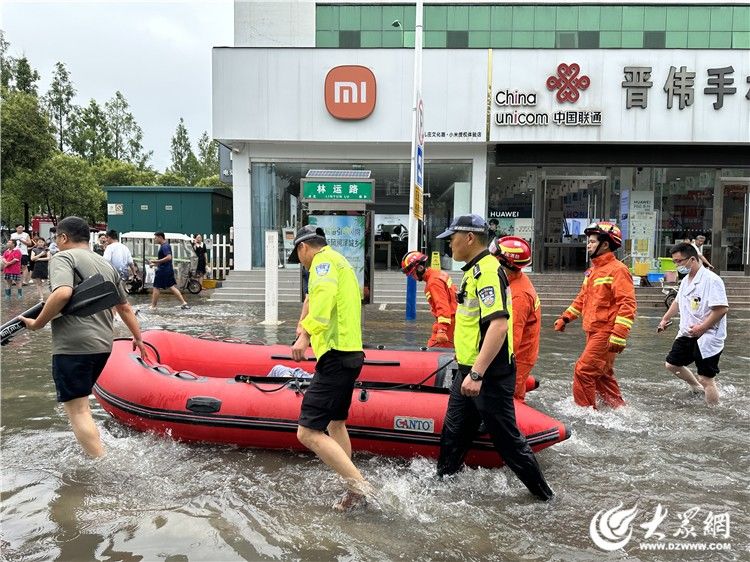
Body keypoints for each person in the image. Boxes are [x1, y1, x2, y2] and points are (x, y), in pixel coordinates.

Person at [435, 214, 554, 501]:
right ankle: (441, 484)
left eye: (452, 238)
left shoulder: (487, 272)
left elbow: (498, 325)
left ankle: (545, 496)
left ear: (469, 238)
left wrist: (477, 374)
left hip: (487, 376)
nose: (448, 244)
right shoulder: (474, 270)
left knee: (508, 441)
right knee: (453, 431)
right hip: (468, 372)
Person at [19, 216, 146, 458]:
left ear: (63, 238)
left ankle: (101, 464)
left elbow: (62, 293)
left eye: (57, 237)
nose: (56, 242)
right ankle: (96, 452)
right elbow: (125, 307)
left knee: (77, 410)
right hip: (102, 345)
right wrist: (138, 338)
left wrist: (37, 324)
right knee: (83, 407)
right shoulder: (104, 264)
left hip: (73, 345)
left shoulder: (63, 258)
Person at [287, 225, 372, 510]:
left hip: (335, 356)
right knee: (336, 423)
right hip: (350, 354)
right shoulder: (339, 260)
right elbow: (314, 298)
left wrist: (305, 335)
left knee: (307, 432)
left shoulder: (322, 263)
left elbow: (321, 298)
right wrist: (302, 321)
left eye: (298, 255)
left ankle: (360, 488)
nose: (300, 261)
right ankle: (350, 487)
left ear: (304, 247)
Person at [554, 222, 636, 409]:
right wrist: (565, 317)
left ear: (605, 244)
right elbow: (582, 299)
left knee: (583, 371)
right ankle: (619, 410)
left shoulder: (618, 270)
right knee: (601, 375)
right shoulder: (593, 271)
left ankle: (584, 413)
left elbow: (627, 304)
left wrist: (619, 335)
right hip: (593, 330)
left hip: (606, 332)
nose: (588, 245)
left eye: (591, 241)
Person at [658, 242, 728, 406]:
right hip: (688, 332)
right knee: (672, 364)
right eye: (675, 261)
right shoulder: (685, 281)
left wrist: (702, 327)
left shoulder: (712, 280)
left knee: (706, 378)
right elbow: (677, 302)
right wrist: (665, 319)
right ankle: (696, 387)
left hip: (708, 334)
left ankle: (714, 413)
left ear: (692, 259)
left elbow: (721, 309)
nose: (677, 265)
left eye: (679, 261)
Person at [489, 236, 540, 402]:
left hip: (518, 359)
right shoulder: (512, 282)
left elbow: (510, 339)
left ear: (506, 263)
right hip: (521, 355)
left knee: (510, 399)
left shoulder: (518, 296)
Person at [400, 250, 457, 348]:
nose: (412, 277)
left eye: (412, 273)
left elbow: (442, 306)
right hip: (453, 321)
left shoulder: (433, 282)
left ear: (420, 268)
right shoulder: (437, 274)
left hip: (448, 325)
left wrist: (441, 330)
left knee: (433, 353)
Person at [149, 232, 189, 310]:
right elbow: (165, 261)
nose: (155, 239)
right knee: (171, 287)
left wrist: (156, 262)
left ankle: (153, 306)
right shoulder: (165, 245)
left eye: (156, 238)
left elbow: (168, 257)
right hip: (167, 269)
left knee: (156, 287)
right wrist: (155, 264)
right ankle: (183, 302)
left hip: (163, 271)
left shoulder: (165, 246)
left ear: (160, 237)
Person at [30, 237, 51, 301]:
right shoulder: (34, 249)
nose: (41, 243)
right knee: (38, 283)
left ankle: (50, 295)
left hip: (45, 267)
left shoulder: (47, 249)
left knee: (48, 282)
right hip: (37, 267)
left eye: (42, 242)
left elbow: (48, 258)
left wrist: (38, 259)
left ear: (44, 243)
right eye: (39, 242)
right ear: (37, 243)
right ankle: (41, 296)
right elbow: (32, 258)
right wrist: (40, 254)